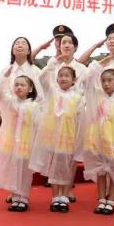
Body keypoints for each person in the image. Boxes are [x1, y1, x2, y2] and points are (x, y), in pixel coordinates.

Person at [30, 60, 83, 212]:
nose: (63, 78)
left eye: (67, 76)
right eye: (60, 76)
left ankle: (64, 196)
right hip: (53, 137)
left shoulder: (78, 98)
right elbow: (42, 78)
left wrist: (78, 139)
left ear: (74, 80)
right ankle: (55, 197)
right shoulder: (52, 92)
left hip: (68, 137)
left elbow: (80, 120)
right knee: (55, 167)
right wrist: (54, 63)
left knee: (66, 167)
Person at [78, 61, 114, 215]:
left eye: (110, 80)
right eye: (103, 80)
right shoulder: (97, 97)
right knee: (100, 171)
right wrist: (101, 64)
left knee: (113, 171)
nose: (106, 84)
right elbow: (86, 79)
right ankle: (101, 199)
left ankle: (111, 199)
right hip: (97, 140)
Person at [0, 70, 39, 211]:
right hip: (12, 143)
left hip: (26, 144)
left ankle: (23, 197)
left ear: (30, 89)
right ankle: (15, 196)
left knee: (24, 171)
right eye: (16, 85)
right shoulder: (11, 103)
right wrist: (4, 77)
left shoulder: (34, 106)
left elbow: (37, 126)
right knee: (13, 169)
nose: (18, 87)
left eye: (22, 85)